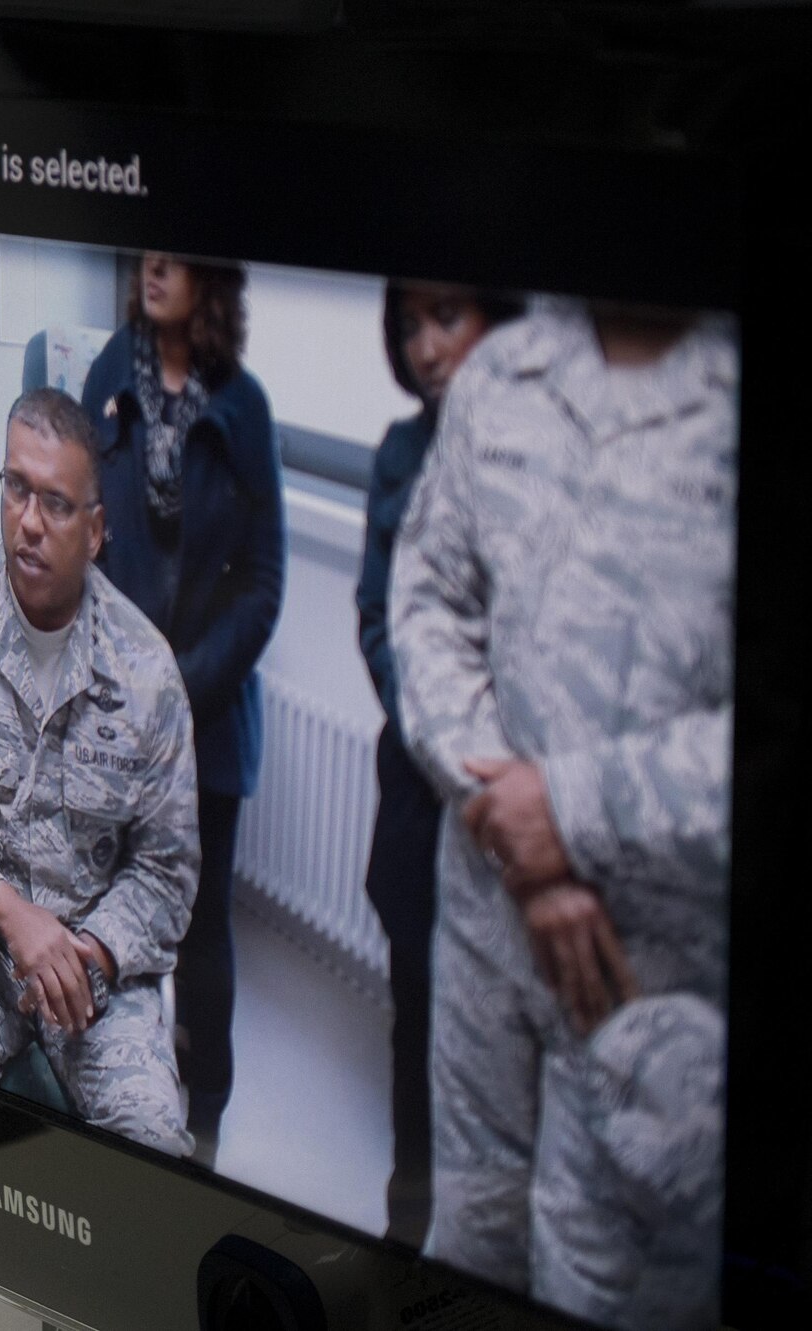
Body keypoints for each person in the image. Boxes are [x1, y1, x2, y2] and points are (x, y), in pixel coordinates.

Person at [389, 296, 736, 1330]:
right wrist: (521, 838)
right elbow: (424, 603)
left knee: (605, 1287)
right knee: (471, 1241)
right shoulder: (502, 378)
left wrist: (572, 812)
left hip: (648, 981)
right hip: (487, 935)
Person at [0, 388, 199, 1157]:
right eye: (15, 488)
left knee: (153, 1141)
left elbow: (167, 869)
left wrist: (85, 952)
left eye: (56, 503)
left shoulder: (146, 672)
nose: (27, 521)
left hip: (95, 967)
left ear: (95, 530)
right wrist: (9, 912)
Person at [80, 253, 283, 1166]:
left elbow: (265, 584)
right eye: (143, 251)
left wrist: (181, 687)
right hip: (114, 715)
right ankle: (117, 1090)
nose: (152, 264)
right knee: (112, 903)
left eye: (175, 251)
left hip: (208, 720)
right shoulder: (106, 374)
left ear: (214, 276)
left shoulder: (243, 405)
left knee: (201, 932)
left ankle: (205, 1121)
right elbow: (84, 534)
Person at [355, 281, 522, 1246]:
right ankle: (409, 1257)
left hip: (534, 829)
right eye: (409, 325)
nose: (425, 347)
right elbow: (383, 627)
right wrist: (466, 754)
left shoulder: (558, 455)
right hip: (428, 811)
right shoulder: (402, 455)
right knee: (418, 1048)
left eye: (446, 318)